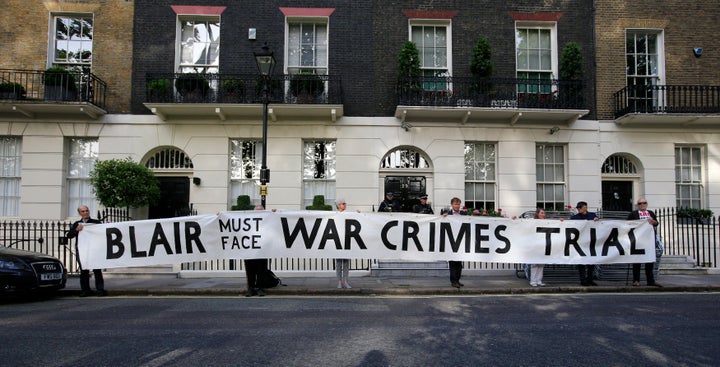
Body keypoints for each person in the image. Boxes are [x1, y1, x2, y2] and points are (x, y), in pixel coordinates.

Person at [66, 205, 107, 297]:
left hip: (94, 250)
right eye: (83, 211)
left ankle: (100, 290)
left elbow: (102, 233)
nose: (85, 212)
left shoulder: (96, 222)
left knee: (97, 270)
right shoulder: (77, 224)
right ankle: (85, 290)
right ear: (80, 213)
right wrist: (77, 230)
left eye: (86, 211)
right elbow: (69, 235)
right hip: (82, 251)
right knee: (84, 271)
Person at [627, 198, 662, 287]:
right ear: (637, 205)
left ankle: (650, 281)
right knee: (637, 261)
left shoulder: (651, 213)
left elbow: (656, 223)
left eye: (644, 203)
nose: (642, 204)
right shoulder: (633, 214)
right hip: (638, 240)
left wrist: (653, 222)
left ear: (647, 204)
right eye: (640, 203)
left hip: (649, 241)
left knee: (650, 262)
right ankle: (636, 280)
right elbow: (627, 224)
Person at [570, 201, 600, 286]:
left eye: (580, 207)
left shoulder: (592, 215)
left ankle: (590, 279)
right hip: (580, 242)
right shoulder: (574, 217)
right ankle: (583, 280)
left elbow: (599, 225)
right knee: (581, 262)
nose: (579, 209)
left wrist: (597, 220)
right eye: (578, 207)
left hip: (591, 242)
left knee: (591, 262)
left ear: (585, 207)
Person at [244, 205, 270, 297]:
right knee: (250, 270)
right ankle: (251, 288)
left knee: (261, 270)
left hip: (262, 249)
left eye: (261, 211)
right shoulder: (247, 219)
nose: (259, 213)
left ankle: (260, 288)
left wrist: (275, 213)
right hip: (249, 249)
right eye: (257, 211)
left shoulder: (267, 220)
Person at [444, 197, 467, 288]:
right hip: (451, 241)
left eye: (458, 204)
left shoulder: (464, 214)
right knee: (453, 263)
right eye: (455, 204)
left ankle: (457, 279)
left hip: (460, 241)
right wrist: (443, 217)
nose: (457, 206)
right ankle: (453, 281)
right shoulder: (448, 214)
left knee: (459, 263)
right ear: (452, 205)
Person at [334, 199, 352, 289]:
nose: (345, 205)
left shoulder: (347, 214)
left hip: (346, 241)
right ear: (338, 205)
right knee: (338, 264)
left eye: (345, 203)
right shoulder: (334, 214)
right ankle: (339, 282)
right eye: (343, 204)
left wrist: (358, 214)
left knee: (345, 263)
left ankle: (345, 281)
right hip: (337, 241)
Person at [529, 208, 548, 287]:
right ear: (537, 214)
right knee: (534, 264)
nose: (543, 214)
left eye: (544, 213)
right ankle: (533, 281)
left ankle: (539, 280)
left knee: (541, 264)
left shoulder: (547, 222)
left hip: (543, 244)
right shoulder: (532, 221)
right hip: (534, 245)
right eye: (542, 213)